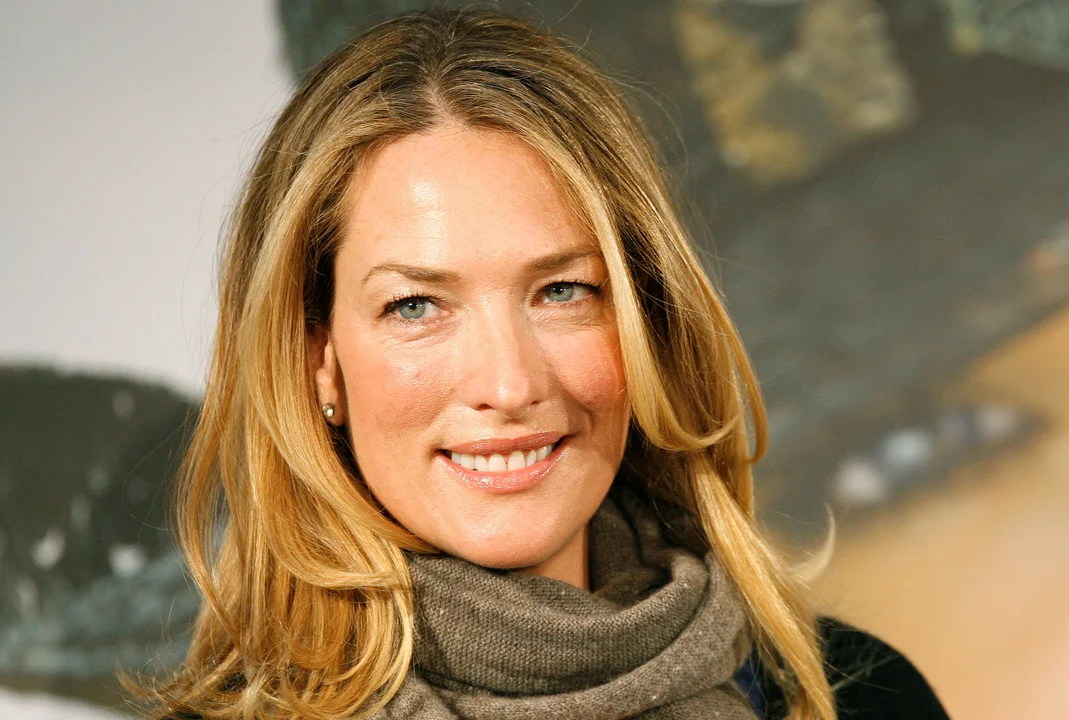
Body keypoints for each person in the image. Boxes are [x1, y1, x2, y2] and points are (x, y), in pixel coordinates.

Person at [139, 9, 948, 719]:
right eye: (416, 306)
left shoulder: (856, 697)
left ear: (645, 320)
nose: (510, 384)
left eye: (562, 291)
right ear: (318, 360)